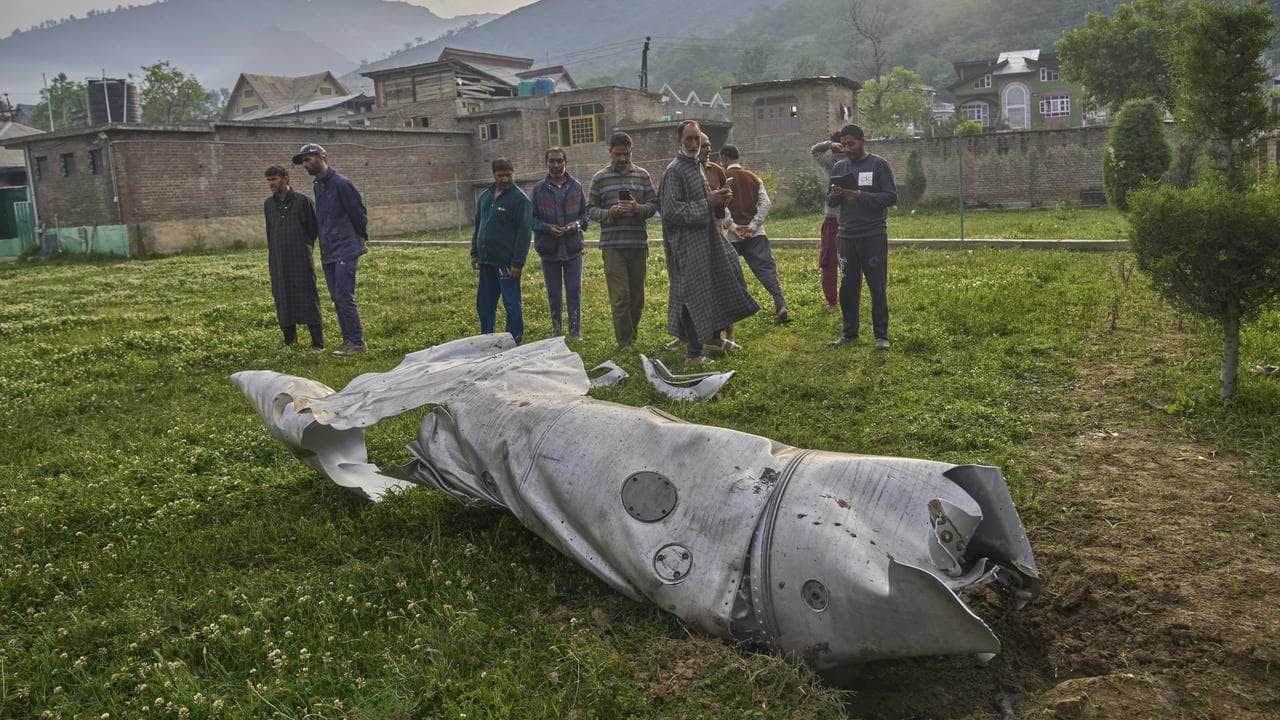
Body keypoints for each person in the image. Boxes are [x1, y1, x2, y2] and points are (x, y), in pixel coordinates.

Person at [659, 120, 759, 365]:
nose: (694, 144)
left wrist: (721, 200)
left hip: (707, 238)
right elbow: (671, 211)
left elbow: (708, 203)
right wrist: (707, 202)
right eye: (689, 140)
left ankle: (713, 338)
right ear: (679, 142)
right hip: (686, 244)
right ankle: (693, 354)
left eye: (697, 140)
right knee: (693, 294)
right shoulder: (675, 170)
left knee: (723, 275)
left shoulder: (696, 167)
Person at [826, 124, 897, 350]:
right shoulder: (839, 167)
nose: (846, 149)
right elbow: (830, 201)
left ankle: (881, 336)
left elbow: (890, 197)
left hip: (873, 235)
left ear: (862, 141)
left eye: (851, 144)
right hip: (846, 236)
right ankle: (849, 333)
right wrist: (837, 195)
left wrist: (860, 196)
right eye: (843, 144)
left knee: (876, 285)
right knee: (848, 286)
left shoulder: (878, 165)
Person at [293, 143, 368, 356]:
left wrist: (360, 238)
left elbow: (358, 213)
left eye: (308, 160)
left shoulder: (341, 184)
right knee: (336, 297)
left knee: (345, 296)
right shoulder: (318, 186)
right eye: (303, 162)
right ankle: (348, 341)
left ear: (321, 157)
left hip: (346, 247)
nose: (305, 165)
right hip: (329, 250)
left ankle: (357, 343)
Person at [586, 132, 658, 352]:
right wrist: (610, 213)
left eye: (626, 154)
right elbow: (590, 209)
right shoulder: (600, 178)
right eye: (618, 154)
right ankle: (623, 343)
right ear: (610, 152)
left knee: (637, 298)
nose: (622, 158)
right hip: (613, 246)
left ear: (631, 151)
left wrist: (638, 209)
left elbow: (654, 205)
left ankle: (631, 337)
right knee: (620, 298)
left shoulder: (643, 176)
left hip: (637, 245)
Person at [721, 144, 789, 324]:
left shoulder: (724, 178)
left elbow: (722, 206)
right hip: (755, 234)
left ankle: (734, 310)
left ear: (725, 159)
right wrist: (752, 225)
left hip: (731, 235)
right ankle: (780, 303)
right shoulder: (753, 178)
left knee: (728, 272)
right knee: (766, 269)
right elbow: (765, 204)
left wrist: (734, 226)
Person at [262, 165, 324, 352]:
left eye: (274, 179)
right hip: (278, 260)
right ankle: (290, 341)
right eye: (269, 180)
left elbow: (313, 230)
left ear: (286, 179)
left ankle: (317, 343)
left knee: (307, 296)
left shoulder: (302, 201)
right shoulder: (268, 205)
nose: (271, 183)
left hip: (301, 259)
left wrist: (302, 248)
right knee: (282, 296)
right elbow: (270, 231)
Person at [471, 157, 532, 344]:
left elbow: (524, 233)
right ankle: (487, 340)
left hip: (507, 264)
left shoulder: (520, 199)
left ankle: (514, 340)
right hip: (486, 261)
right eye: (500, 175)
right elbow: (478, 225)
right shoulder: (485, 197)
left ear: (513, 173)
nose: (505, 179)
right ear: (493, 175)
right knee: (484, 304)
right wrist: (475, 252)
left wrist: (517, 263)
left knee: (511, 304)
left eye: (508, 175)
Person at [530, 147, 588, 340]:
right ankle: (556, 330)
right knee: (553, 293)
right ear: (546, 163)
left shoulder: (577, 187)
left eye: (559, 161)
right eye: (552, 161)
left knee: (574, 292)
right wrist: (547, 228)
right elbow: (531, 220)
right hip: (549, 250)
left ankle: (575, 332)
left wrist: (576, 224)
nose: (556, 165)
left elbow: (585, 216)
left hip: (573, 249)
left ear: (566, 162)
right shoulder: (538, 190)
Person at [811, 132, 843, 310]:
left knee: (848, 262)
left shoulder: (857, 164)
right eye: (840, 146)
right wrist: (830, 144)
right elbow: (815, 151)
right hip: (832, 219)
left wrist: (830, 145)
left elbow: (815, 151)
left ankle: (844, 299)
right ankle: (832, 301)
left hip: (848, 219)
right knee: (829, 261)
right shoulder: (831, 164)